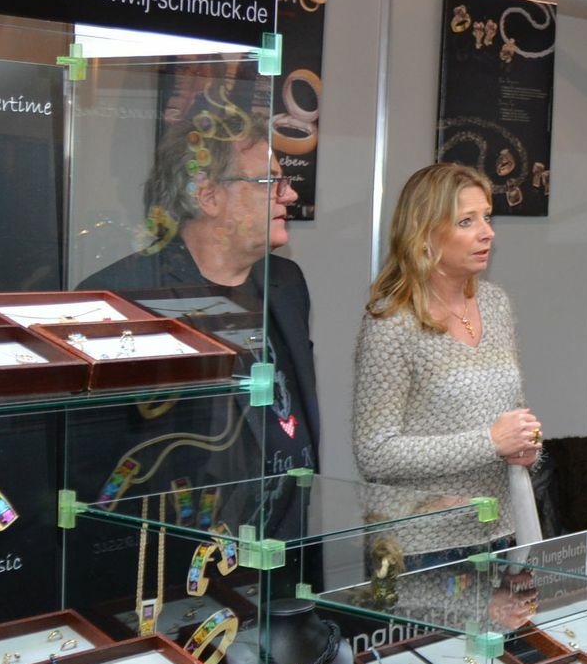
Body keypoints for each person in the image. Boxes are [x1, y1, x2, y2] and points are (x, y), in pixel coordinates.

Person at [89, 111, 320, 512]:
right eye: (270, 182)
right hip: (181, 534)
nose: (290, 195)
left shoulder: (286, 283)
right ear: (209, 196)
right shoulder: (124, 297)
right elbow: (103, 462)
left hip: (284, 533)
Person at [353, 162, 544, 569]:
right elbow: (375, 452)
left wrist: (527, 447)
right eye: (466, 221)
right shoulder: (392, 322)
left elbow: (511, 417)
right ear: (424, 234)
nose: (487, 232)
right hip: (421, 548)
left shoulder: (494, 303)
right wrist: (490, 443)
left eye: (487, 217)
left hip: (502, 534)